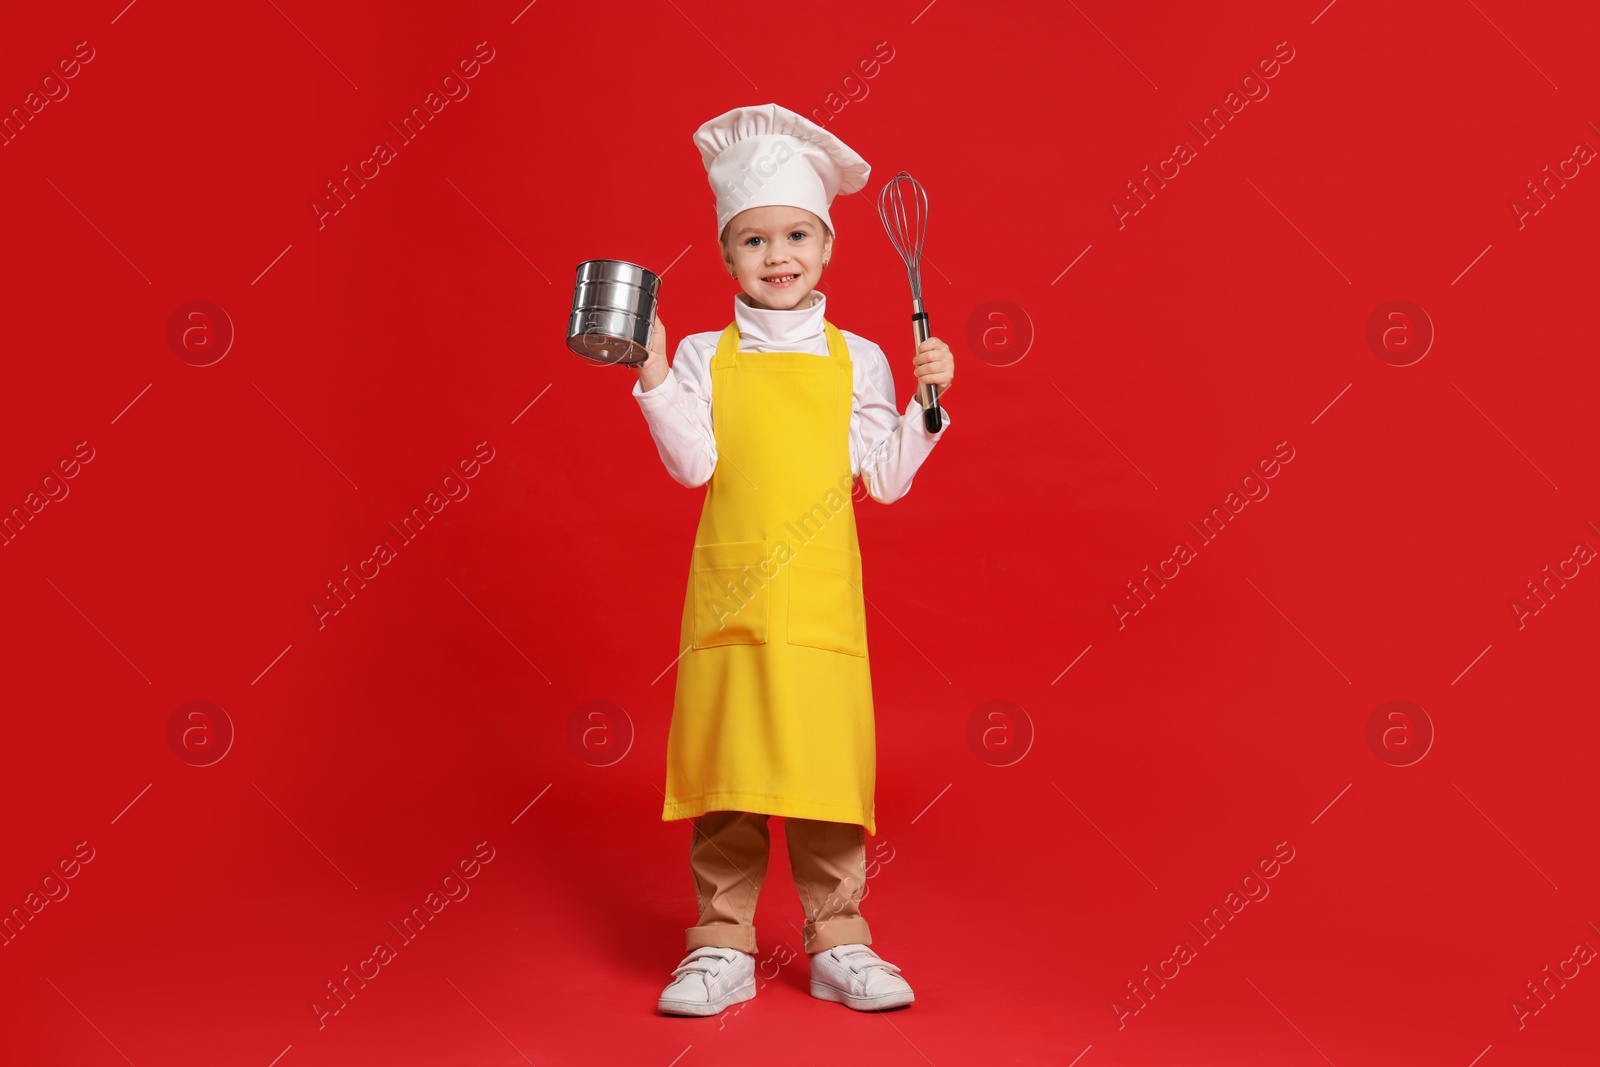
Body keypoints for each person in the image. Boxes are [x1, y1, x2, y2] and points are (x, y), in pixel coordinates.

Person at [631, 103, 954, 1017]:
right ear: (727, 255)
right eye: (754, 239)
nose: (778, 255)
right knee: (729, 782)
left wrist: (928, 406)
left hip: (817, 610)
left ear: (828, 246)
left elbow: (884, 480)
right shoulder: (702, 353)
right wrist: (653, 374)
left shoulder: (860, 360)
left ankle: (839, 940)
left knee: (824, 777)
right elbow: (692, 463)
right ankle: (721, 946)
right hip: (732, 603)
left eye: (796, 235)